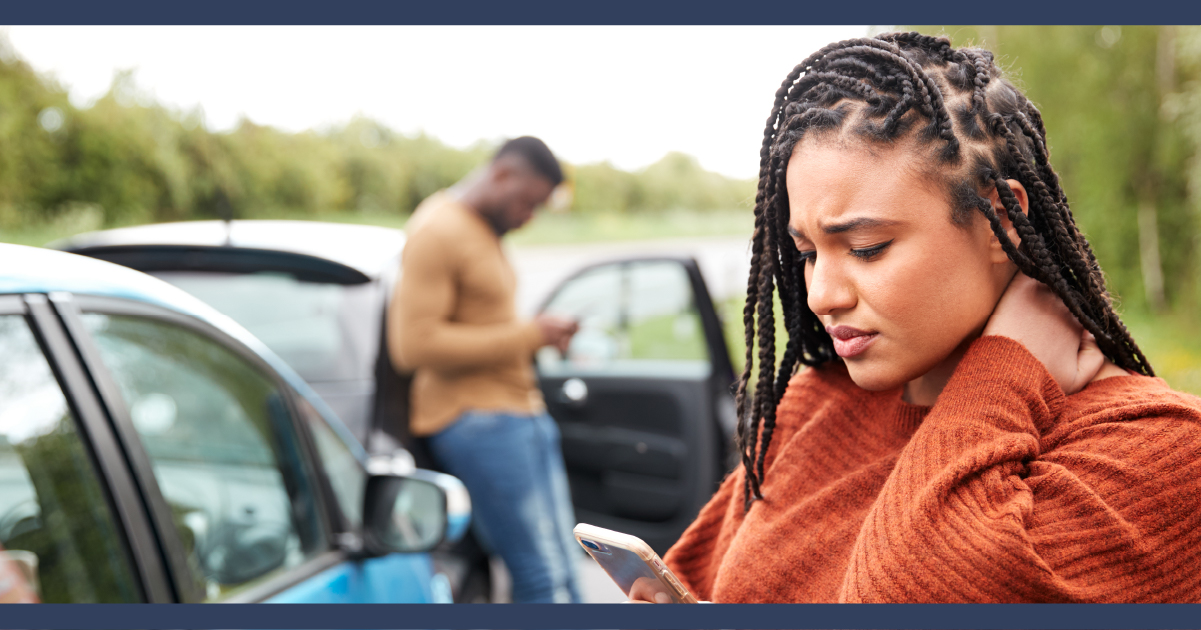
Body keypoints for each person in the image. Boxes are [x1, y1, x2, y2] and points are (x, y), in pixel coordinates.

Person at [630, 32, 1201, 603]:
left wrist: (1001, 375)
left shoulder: (1165, 455)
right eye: (806, 254)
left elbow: (908, 594)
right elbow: (701, 581)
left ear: (1000, 221)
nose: (820, 296)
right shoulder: (816, 404)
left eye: (867, 247)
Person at [388, 136, 582, 603]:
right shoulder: (438, 230)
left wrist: (537, 335)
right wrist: (528, 335)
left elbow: (483, 322)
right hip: (478, 419)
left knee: (566, 566)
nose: (527, 217)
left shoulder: (481, 228)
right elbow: (412, 345)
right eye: (525, 202)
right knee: (539, 577)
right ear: (500, 175)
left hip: (519, 412)